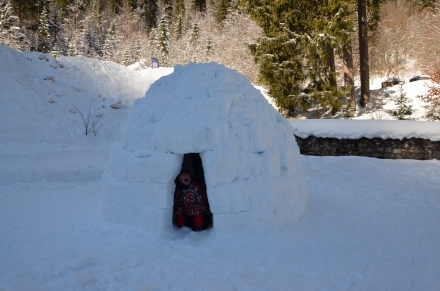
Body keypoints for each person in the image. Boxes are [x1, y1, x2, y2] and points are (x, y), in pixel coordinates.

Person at [173, 166, 210, 231]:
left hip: (198, 215)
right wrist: (179, 215)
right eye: (183, 175)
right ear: (179, 179)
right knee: (183, 225)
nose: (186, 176)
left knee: (197, 227)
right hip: (187, 215)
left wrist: (199, 215)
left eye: (187, 174)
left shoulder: (196, 187)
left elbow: (202, 202)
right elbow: (178, 204)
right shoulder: (178, 190)